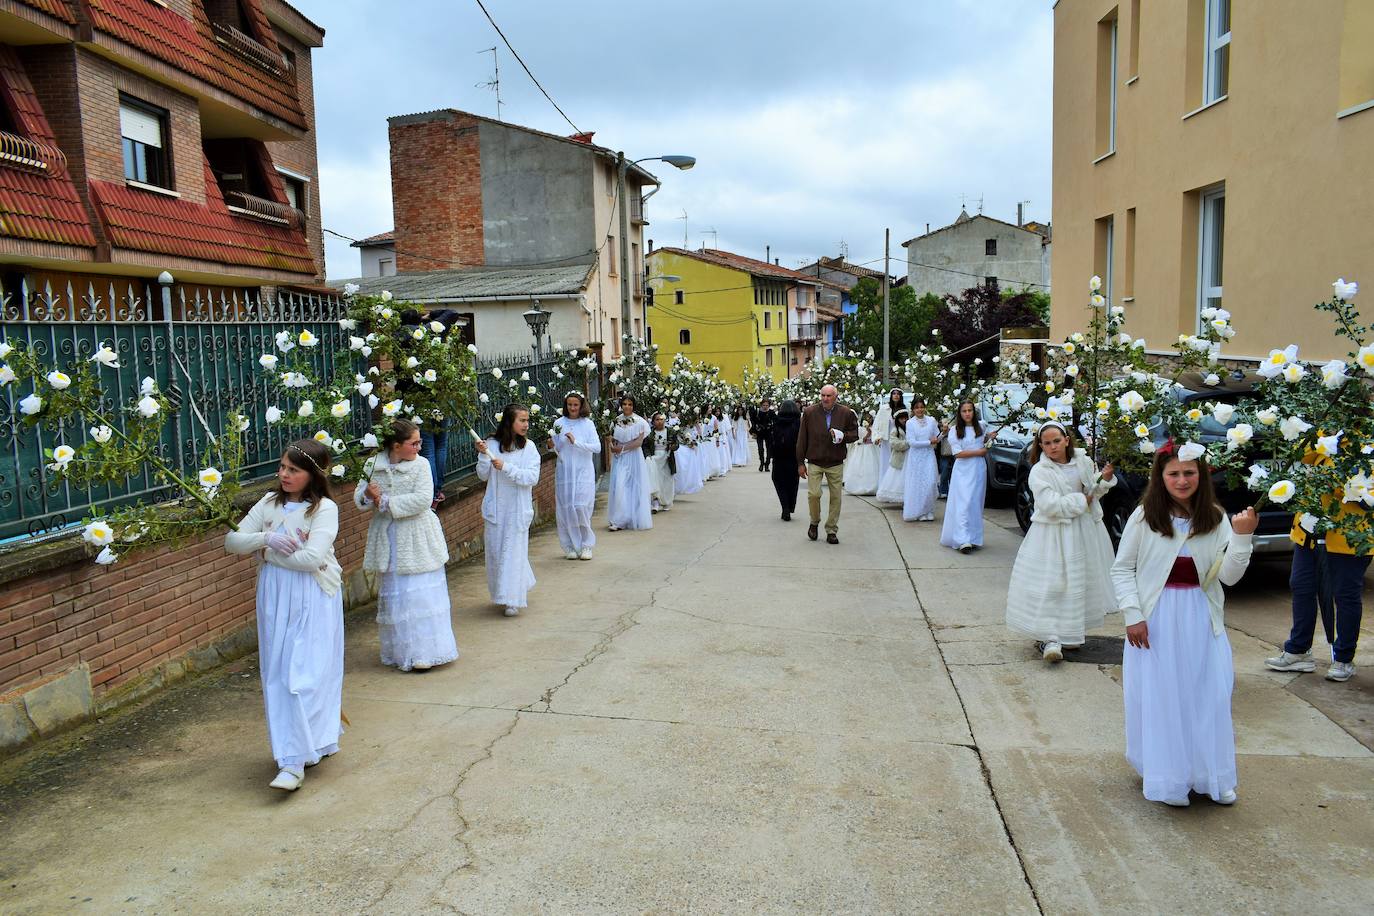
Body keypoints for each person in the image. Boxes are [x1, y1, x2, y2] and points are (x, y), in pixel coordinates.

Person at [1113, 445, 1258, 807]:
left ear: (1202, 475)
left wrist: (1242, 537)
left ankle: (1210, 774)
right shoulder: (1146, 516)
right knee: (1164, 697)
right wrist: (1134, 615)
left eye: (1189, 473)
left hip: (1200, 617)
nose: (1182, 480)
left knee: (1208, 695)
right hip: (1156, 620)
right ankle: (1168, 775)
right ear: (1160, 477)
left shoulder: (1214, 517)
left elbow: (1228, 577)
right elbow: (1122, 569)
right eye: (1173, 473)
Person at [224, 439, 344, 792]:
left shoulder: (324, 510)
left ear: (313, 474)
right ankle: (293, 755)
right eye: (282, 467)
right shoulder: (269, 503)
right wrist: (265, 537)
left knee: (305, 674)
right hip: (276, 595)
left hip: (314, 596)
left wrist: (265, 552)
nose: (284, 474)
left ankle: (297, 758)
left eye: (294, 469)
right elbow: (232, 542)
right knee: (279, 672)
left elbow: (311, 560)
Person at [1004, 422, 1117, 662]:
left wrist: (1103, 480)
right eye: (1047, 443)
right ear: (1041, 445)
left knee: (1076, 581)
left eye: (1057, 441)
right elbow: (1049, 505)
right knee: (1053, 582)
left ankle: (1069, 632)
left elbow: (1093, 491)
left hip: (1082, 531)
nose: (1053, 447)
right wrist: (1082, 500)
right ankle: (1050, 636)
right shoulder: (1039, 471)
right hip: (1053, 534)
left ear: (1066, 440)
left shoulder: (1083, 462)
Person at [355, 419, 458, 672]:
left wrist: (387, 502)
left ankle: (425, 652)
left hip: (416, 537)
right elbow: (359, 499)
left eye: (419, 441)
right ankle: (402, 651)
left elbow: (424, 499)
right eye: (414, 443)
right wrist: (368, 495)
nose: (419, 447)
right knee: (397, 596)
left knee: (420, 594)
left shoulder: (421, 465)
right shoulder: (372, 465)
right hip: (389, 538)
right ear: (395, 445)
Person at [1265, 464, 1372, 682]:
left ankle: (1343, 658)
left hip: (1350, 536)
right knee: (1302, 586)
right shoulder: (1316, 438)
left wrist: (1341, 482)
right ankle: (1299, 651)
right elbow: (1298, 460)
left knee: (1344, 594)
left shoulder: (1364, 444)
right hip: (1309, 530)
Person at [476, 404, 542, 617]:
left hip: (517, 510)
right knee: (496, 553)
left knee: (514, 553)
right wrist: (483, 455)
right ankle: (504, 593)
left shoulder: (529, 448)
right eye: (521, 420)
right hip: (496, 509)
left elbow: (531, 478)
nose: (526, 425)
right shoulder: (492, 444)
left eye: (527, 421)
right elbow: (482, 475)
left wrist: (506, 467)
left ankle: (513, 599)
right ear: (509, 422)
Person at [797, 384, 859, 544]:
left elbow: (854, 433)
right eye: (823, 395)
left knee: (836, 497)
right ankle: (814, 522)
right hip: (815, 461)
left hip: (835, 461)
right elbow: (802, 438)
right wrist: (800, 462)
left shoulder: (846, 413)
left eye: (828, 396)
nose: (825, 399)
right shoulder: (810, 412)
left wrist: (842, 436)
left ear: (835, 397)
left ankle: (831, 530)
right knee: (814, 494)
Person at [550, 392, 601, 561]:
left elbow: (597, 447)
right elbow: (556, 448)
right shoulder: (559, 423)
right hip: (565, 471)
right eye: (569, 405)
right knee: (566, 508)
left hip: (583, 470)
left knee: (581, 507)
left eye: (575, 405)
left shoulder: (587, 424)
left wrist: (576, 441)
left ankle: (586, 545)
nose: (572, 408)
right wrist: (551, 446)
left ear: (581, 406)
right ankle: (569, 546)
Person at [939, 400, 989, 552]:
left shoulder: (981, 426)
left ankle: (973, 537)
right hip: (963, 471)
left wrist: (988, 439)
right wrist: (979, 452)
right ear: (959, 414)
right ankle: (962, 539)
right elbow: (958, 453)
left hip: (979, 469)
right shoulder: (955, 430)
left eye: (970, 410)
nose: (967, 413)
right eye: (964, 411)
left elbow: (982, 440)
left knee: (975, 502)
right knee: (963, 503)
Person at [607, 395, 652, 531]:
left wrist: (622, 449)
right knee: (619, 485)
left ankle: (633, 516)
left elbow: (638, 442)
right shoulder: (616, 421)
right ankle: (619, 519)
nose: (627, 406)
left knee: (633, 485)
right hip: (619, 458)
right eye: (625, 404)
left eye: (630, 404)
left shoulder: (640, 422)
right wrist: (613, 447)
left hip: (633, 456)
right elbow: (611, 438)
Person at [903, 399, 941, 522]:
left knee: (930, 482)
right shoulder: (910, 423)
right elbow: (912, 442)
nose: (919, 409)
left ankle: (928, 509)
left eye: (921, 407)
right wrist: (929, 442)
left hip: (929, 455)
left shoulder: (931, 421)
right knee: (918, 485)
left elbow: (937, 437)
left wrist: (944, 433)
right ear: (913, 409)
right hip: (916, 457)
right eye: (917, 407)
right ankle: (919, 511)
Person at [771, 399, 802, 521]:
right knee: (793, 483)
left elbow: (772, 438)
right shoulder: (798, 422)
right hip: (794, 457)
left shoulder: (777, 422)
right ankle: (790, 506)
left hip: (779, 457)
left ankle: (785, 506)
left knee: (779, 481)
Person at [875, 409, 910, 506]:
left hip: (909, 457)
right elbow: (894, 443)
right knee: (897, 477)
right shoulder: (895, 431)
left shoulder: (910, 429)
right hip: (899, 458)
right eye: (902, 418)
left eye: (905, 418)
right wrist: (908, 443)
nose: (904, 420)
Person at [842, 412, 881, 496]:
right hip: (862, 449)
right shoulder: (860, 429)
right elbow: (858, 441)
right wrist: (867, 434)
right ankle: (858, 485)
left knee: (872, 466)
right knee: (860, 467)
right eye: (867, 418)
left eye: (870, 418)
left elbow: (875, 439)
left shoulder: (874, 428)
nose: (868, 420)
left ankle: (873, 486)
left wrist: (874, 437)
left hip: (871, 449)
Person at [645, 411, 676, 512]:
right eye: (657, 420)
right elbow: (645, 446)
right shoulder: (650, 433)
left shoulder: (670, 431)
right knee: (655, 479)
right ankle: (655, 502)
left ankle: (666, 501)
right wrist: (648, 455)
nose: (659, 422)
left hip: (666, 458)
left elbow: (676, 444)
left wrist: (673, 446)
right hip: (655, 458)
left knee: (667, 480)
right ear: (653, 422)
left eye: (661, 419)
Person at [873, 387, 906, 474]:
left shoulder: (904, 409)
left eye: (898, 394)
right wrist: (876, 436)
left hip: (899, 438)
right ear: (891, 396)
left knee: (898, 460)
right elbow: (877, 423)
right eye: (894, 394)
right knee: (886, 461)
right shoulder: (884, 408)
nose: (896, 396)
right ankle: (884, 482)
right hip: (886, 438)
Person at [673, 417, 704, 496]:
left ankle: (688, 484)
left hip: (689, 445)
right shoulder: (678, 422)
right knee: (680, 467)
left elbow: (698, 432)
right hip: (681, 445)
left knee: (688, 466)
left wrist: (692, 442)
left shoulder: (694, 424)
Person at [752, 398, 776, 472]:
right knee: (760, 449)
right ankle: (761, 463)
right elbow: (753, 421)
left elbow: (776, 421)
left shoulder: (771, 412)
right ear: (761, 405)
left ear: (769, 405)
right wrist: (755, 430)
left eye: (767, 405)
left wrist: (772, 427)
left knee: (769, 449)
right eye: (764, 405)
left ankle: (767, 464)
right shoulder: (758, 412)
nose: (765, 406)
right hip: (760, 433)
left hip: (768, 433)